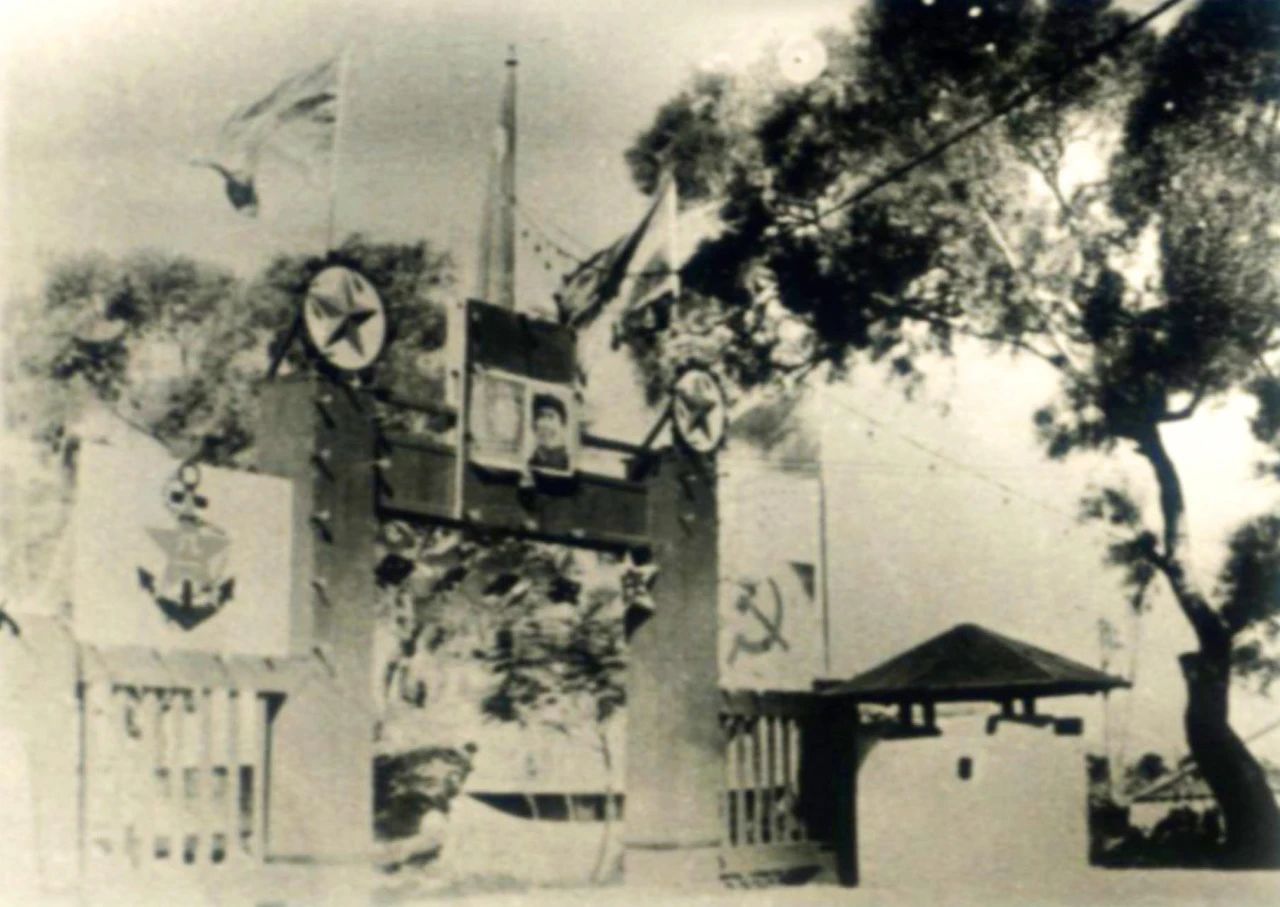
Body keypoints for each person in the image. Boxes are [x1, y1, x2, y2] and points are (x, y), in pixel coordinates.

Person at [528, 393, 571, 472]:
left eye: (550, 417)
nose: (545, 424)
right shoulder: (531, 462)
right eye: (540, 416)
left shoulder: (568, 464)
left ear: (563, 425)